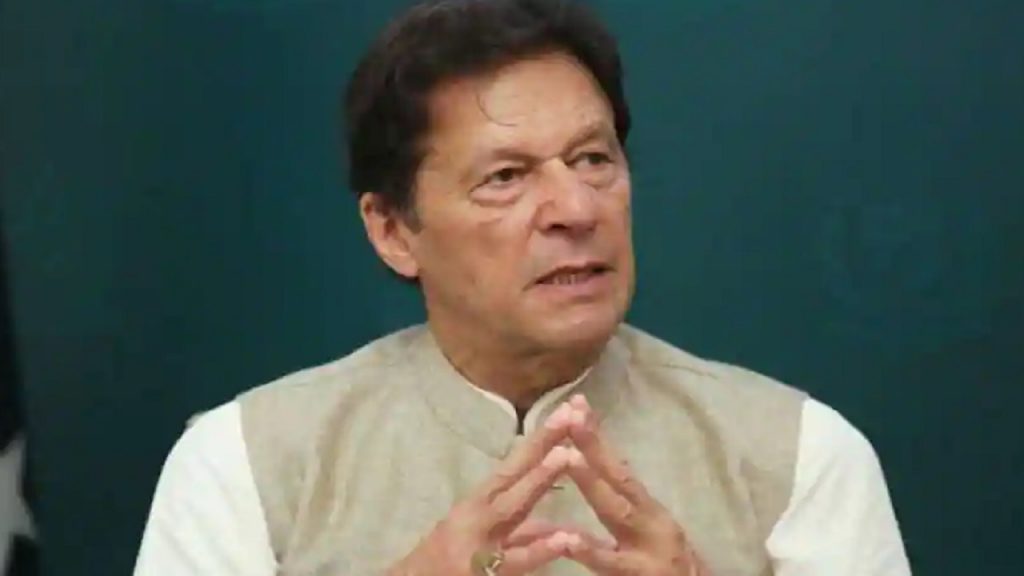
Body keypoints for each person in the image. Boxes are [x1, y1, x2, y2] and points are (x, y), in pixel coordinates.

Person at [134, 0, 912, 574]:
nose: (576, 209)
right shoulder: (243, 464)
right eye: (506, 177)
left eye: (593, 159)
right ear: (393, 229)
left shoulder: (801, 456)